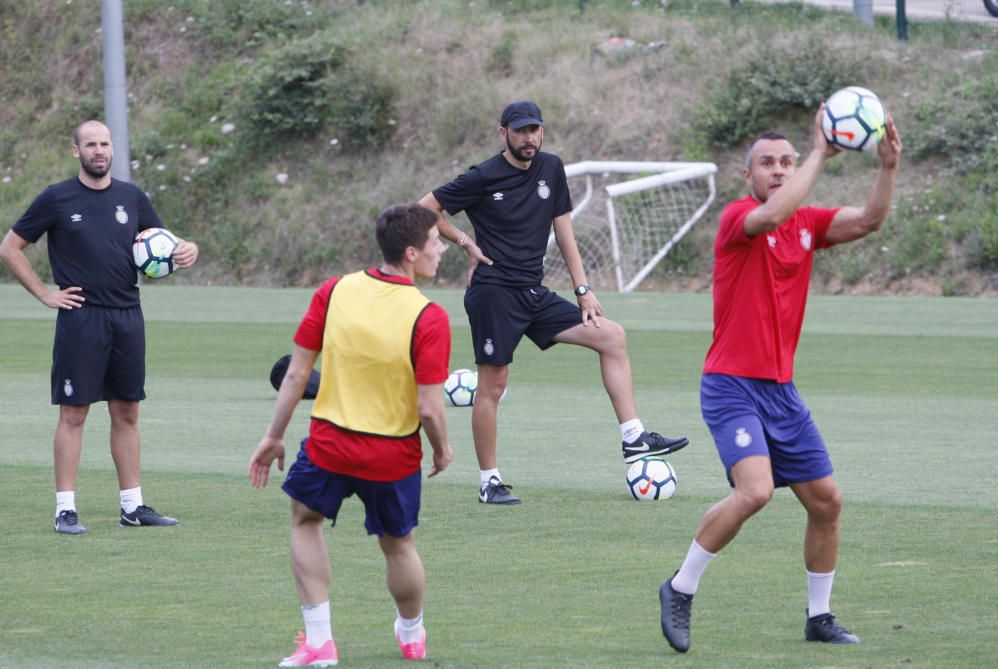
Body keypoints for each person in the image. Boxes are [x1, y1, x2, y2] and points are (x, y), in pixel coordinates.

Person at [659, 106, 902, 653]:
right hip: (730, 384)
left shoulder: (809, 224)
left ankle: (819, 617)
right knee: (756, 492)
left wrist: (887, 167)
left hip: (781, 392)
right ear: (749, 176)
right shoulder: (738, 219)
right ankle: (679, 587)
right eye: (767, 163)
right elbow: (768, 218)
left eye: (786, 162)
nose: (778, 170)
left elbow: (868, 221)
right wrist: (820, 151)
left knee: (827, 503)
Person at [418, 100, 688, 505]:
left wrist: (583, 289)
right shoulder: (483, 176)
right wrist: (466, 243)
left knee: (612, 336)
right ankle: (489, 482)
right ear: (503, 133)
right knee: (493, 387)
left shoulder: (551, 168)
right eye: (521, 130)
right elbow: (424, 209)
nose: (529, 138)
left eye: (535, 130)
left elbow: (564, 233)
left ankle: (633, 438)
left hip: (533, 292)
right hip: (494, 293)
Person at [248, 203, 454, 666]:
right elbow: (428, 408)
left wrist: (274, 435)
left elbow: (298, 374)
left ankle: (320, 642)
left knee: (304, 522)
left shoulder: (334, 291)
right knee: (399, 545)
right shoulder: (430, 316)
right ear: (410, 252)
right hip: (393, 453)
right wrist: (442, 450)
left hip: (330, 445)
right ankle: (412, 635)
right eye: (435, 242)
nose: (441, 248)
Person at [0, 120, 199, 535]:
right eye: (90, 144)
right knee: (74, 413)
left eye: (104, 144)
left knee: (127, 411)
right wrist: (44, 293)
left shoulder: (131, 196)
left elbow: (161, 242)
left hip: (128, 315)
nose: (99, 151)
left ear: (112, 149)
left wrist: (187, 249)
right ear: (76, 151)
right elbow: (10, 247)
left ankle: (132, 505)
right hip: (81, 318)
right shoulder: (56, 198)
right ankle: (65, 510)